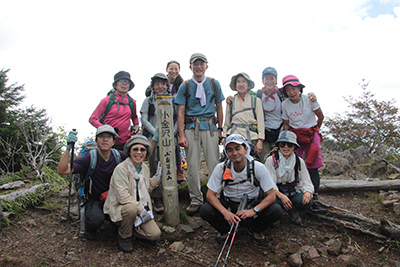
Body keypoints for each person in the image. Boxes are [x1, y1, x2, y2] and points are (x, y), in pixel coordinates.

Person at [199, 134, 282, 245]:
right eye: (230, 150)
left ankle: (254, 229)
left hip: (252, 204)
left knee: (275, 209)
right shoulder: (221, 168)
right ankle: (226, 230)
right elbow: (210, 195)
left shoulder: (258, 167)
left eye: (238, 148)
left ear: (246, 149)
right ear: (226, 153)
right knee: (205, 210)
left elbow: (271, 196)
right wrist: (225, 212)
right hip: (229, 204)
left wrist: (254, 211)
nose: (234, 153)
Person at [57, 125, 127, 240]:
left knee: (127, 215)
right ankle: (91, 228)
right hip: (95, 199)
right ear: (96, 141)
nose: (105, 139)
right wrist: (68, 148)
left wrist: (154, 139)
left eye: (108, 137)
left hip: (115, 198)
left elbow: (140, 156)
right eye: (101, 137)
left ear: (114, 141)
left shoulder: (119, 156)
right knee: (95, 220)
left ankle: (115, 223)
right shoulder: (89, 158)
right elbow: (62, 170)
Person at [175, 53, 225, 215]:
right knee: (192, 165)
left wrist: (220, 129)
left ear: (206, 66)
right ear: (190, 67)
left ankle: (216, 197)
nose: (198, 67)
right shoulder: (186, 86)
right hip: (191, 128)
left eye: (201, 64)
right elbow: (180, 112)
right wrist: (181, 135)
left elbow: (219, 107)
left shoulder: (214, 83)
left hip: (210, 126)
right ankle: (196, 199)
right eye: (195, 64)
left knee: (214, 164)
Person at [103, 135, 161, 253]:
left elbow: (146, 187)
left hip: (140, 209)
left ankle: (130, 227)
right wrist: (141, 210)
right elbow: (123, 196)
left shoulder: (144, 168)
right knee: (131, 209)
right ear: (129, 151)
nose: (139, 152)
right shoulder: (121, 169)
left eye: (142, 149)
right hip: (123, 207)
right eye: (135, 149)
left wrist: (157, 178)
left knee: (155, 235)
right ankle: (125, 236)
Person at [140, 73, 185, 214]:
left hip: (170, 139)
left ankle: (172, 196)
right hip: (153, 140)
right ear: (152, 86)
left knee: (169, 166)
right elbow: (144, 119)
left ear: (167, 86)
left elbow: (178, 118)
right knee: (155, 168)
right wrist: (157, 133)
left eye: (163, 84)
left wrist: (171, 132)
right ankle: (157, 197)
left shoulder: (173, 100)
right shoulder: (148, 101)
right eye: (157, 84)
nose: (160, 86)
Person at [281, 75, 324, 199]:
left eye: (294, 88)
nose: (292, 92)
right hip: (295, 135)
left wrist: (316, 130)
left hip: (311, 133)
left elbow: (320, 116)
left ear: (300, 88)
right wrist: (286, 140)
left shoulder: (309, 99)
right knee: (295, 163)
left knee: (312, 163)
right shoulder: (285, 104)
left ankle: (314, 193)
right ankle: (298, 190)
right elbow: (286, 124)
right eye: (288, 90)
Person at [265, 131, 314, 225]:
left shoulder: (299, 161)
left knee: (307, 200)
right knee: (274, 205)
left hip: (293, 191)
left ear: (294, 146)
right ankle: (276, 217)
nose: (286, 147)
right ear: (279, 145)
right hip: (277, 192)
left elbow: (306, 180)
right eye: (282, 144)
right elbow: (269, 184)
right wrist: (281, 196)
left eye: (290, 145)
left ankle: (296, 214)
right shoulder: (271, 160)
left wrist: (308, 192)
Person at [89, 71, 139, 150]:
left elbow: (134, 117)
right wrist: (107, 130)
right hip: (108, 143)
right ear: (115, 85)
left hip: (126, 143)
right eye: (122, 81)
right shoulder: (107, 100)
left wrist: (136, 126)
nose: (124, 83)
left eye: (127, 81)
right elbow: (92, 119)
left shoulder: (131, 102)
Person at [222, 72, 264, 155]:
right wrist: (224, 137)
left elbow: (260, 121)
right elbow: (227, 122)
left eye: (244, 81)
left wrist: (260, 140)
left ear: (248, 85)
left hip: (252, 137)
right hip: (234, 136)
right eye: (238, 82)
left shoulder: (256, 100)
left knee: (252, 163)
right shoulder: (231, 101)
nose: (241, 84)